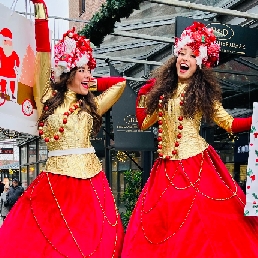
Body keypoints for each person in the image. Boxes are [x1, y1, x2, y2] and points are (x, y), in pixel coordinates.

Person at [0, 0, 126, 257]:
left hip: (92, 184)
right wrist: (41, 16)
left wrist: (88, 82)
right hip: (57, 182)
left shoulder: (91, 106)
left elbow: (120, 84)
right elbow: (44, 54)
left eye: (90, 69)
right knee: (52, 241)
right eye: (82, 69)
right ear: (67, 71)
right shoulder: (45, 97)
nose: (88, 74)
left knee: (93, 241)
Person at [122, 21, 258, 257]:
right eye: (182, 53)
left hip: (194, 164)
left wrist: (255, 120)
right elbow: (144, 122)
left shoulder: (203, 93)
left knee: (200, 226)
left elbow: (229, 123)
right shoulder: (164, 92)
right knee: (162, 226)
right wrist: (146, 91)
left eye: (193, 55)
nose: (185, 58)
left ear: (200, 63)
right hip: (164, 169)